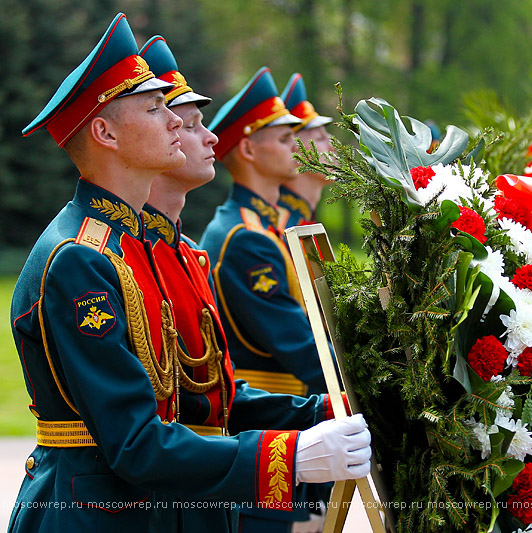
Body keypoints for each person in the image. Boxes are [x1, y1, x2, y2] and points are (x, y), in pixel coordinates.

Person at [8, 14, 370, 533]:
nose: (178, 121)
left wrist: (317, 415)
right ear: (105, 132)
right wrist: (286, 458)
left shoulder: (148, 246)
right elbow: (135, 443)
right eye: (156, 109)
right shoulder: (80, 258)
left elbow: (203, 399)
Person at [138, 36, 333, 532]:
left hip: (258, 429)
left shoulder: (210, 240)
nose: (201, 137)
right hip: (239, 444)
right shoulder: (241, 237)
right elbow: (299, 345)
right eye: (179, 120)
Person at [200, 66, 333, 533]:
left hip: (293, 412)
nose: (296, 145)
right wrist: (356, 387)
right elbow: (297, 341)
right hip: (270, 417)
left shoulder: (265, 230)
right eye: (282, 138)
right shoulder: (243, 237)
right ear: (251, 150)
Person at [277, 73, 334, 231]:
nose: (333, 147)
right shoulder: (284, 229)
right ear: (294, 151)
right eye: (320, 138)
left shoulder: (303, 221)